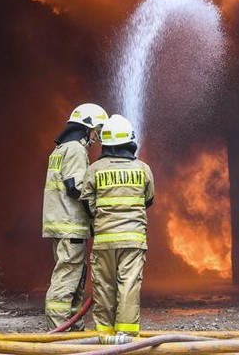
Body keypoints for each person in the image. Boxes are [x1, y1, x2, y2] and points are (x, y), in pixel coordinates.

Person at [80, 115, 155, 336]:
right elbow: (148, 200)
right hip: (133, 240)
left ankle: (104, 338)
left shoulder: (95, 169)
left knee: (103, 288)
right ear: (130, 141)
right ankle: (127, 339)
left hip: (104, 240)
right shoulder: (143, 168)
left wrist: (102, 219)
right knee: (129, 286)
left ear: (106, 143)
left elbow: (86, 203)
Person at [42, 103, 108, 330]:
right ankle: (58, 329)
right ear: (87, 127)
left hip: (61, 223)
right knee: (67, 277)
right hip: (71, 225)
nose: (96, 137)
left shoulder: (60, 149)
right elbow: (76, 187)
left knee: (75, 275)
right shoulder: (76, 150)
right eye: (97, 130)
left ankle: (74, 327)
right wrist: (96, 212)